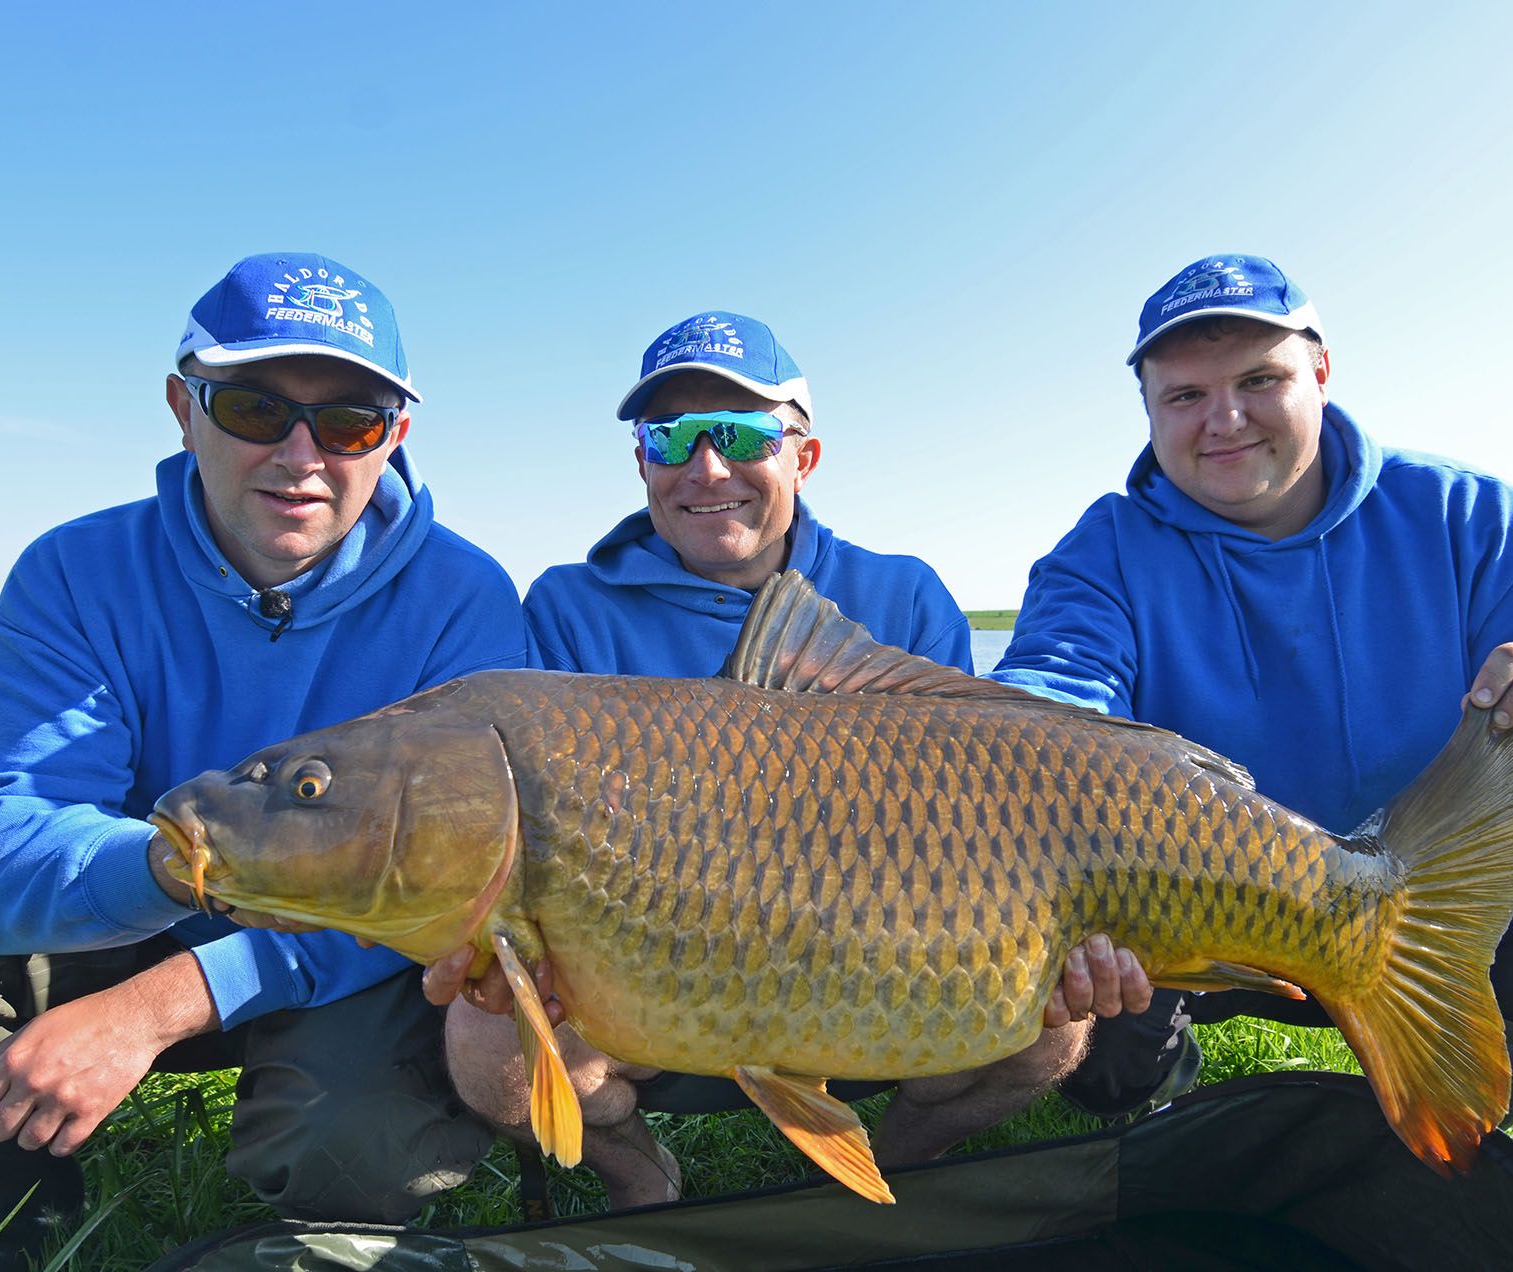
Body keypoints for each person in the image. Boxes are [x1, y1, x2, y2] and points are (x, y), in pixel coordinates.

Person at [0, 253, 527, 1269]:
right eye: (252, 407)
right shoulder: (74, 571)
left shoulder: (466, 603)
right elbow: (6, 847)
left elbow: (458, 891)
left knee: (354, 1151)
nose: (301, 453)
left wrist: (160, 1007)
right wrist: (175, 871)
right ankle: (2, 1214)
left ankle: (314, 1230)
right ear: (182, 408)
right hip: (118, 907)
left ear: (395, 437)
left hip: (343, 947)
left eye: (349, 422)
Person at [432, 310, 1153, 1208]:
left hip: (879, 972)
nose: (707, 467)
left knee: (1053, 1023)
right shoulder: (569, 608)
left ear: (802, 457)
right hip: (652, 981)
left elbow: (984, 821)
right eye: (673, 437)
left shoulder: (903, 595)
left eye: (739, 434)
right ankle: (641, 1180)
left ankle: (896, 1163)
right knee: (482, 1033)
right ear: (642, 462)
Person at [990, 253, 1513, 1122]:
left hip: (1420, 900)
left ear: (1320, 371)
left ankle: (1454, 1103)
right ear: (1149, 410)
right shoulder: (1102, 551)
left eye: (1259, 380)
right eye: (1185, 396)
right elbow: (1052, 700)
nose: (1225, 419)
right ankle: (1158, 1087)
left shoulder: (1474, 520)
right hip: (1194, 921)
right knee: (1091, 1019)